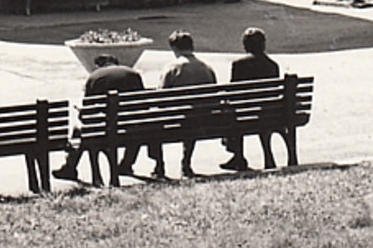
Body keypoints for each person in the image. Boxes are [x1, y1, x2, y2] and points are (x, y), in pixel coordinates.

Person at [55, 54, 146, 184]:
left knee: (79, 130)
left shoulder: (95, 77)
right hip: (132, 127)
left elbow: (88, 112)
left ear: (98, 66)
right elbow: (142, 104)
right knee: (137, 125)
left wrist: (80, 112)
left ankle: (70, 167)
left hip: (105, 130)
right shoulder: (133, 74)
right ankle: (126, 164)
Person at [149, 31, 217, 178]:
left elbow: (161, 97)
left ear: (174, 48)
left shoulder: (172, 68)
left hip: (176, 120)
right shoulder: (206, 67)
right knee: (192, 116)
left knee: (151, 122)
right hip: (202, 120)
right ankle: (186, 163)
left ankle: (159, 165)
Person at [221, 28, 283, 172]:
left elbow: (234, 91)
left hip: (246, 115)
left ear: (245, 45)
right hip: (270, 115)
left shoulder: (239, 64)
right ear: (263, 44)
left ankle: (238, 156)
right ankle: (268, 156)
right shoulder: (272, 65)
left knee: (230, 113)